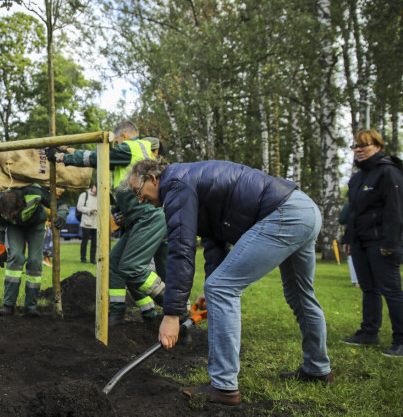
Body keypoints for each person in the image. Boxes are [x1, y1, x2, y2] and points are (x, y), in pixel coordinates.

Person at [127, 158, 332, 406]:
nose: (139, 200)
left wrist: (172, 314)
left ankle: (224, 387)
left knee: (222, 289)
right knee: (300, 295)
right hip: (304, 210)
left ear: (152, 178)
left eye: (138, 192)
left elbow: (181, 249)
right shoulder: (189, 180)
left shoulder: (175, 184)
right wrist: (210, 286)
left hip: (284, 213)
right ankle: (318, 369)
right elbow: (215, 238)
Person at [46, 121, 168, 325]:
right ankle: (133, 312)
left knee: (133, 267)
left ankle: (176, 307)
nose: (116, 145)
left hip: (147, 218)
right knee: (116, 263)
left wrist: (61, 157)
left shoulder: (129, 148)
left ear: (125, 136)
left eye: (117, 140)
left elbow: (97, 157)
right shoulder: (140, 150)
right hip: (140, 218)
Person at [340, 130, 403, 358]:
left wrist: (390, 242)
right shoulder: (357, 177)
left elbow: (395, 210)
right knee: (369, 289)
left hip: (381, 242)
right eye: (355, 146)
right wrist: (348, 239)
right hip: (360, 242)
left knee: (392, 291)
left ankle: (401, 339)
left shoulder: (389, 172)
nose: (358, 150)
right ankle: (369, 333)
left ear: (377, 146)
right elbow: (354, 212)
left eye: (364, 145)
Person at [0, 184, 69, 317]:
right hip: (14, 227)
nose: (10, 216)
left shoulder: (35, 192)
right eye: (7, 215)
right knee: (15, 257)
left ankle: (31, 307)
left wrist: (62, 215)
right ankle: (8, 305)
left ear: (21, 205)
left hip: (36, 224)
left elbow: (61, 204)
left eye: (13, 214)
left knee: (35, 261)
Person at [338, 203, 359, 287]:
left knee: (352, 258)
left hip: (354, 234)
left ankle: (356, 281)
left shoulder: (351, 203)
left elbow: (342, 219)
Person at [77, 184, 98, 264]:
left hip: (96, 223)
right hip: (86, 222)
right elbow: (79, 207)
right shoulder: (84, 195)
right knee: (84, 242)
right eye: (97, 188)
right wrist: (89, 210)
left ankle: (92, 259)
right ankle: (83, 259)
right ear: (93, 186)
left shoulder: (100, 196)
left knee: (94, 242)